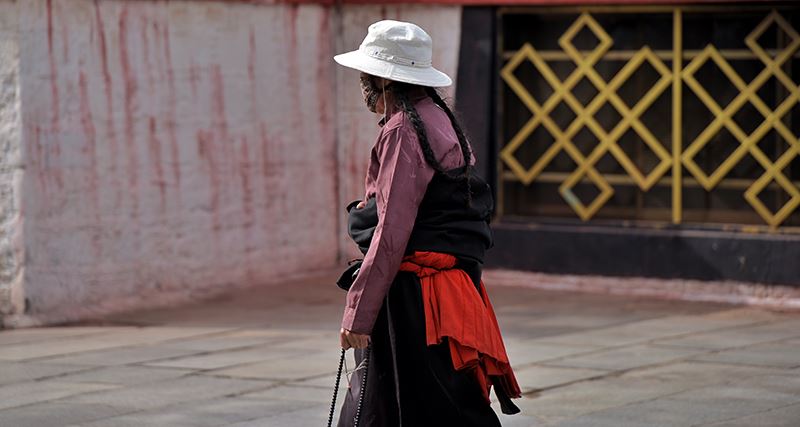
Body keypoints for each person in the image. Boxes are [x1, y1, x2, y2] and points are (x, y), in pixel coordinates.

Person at [332, 20, 522, 427]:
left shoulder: (403, 130)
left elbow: (391, 231)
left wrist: (357, 314)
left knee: (394, 407)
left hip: (414, 299)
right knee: (437, 402)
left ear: (382, 79)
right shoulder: (437, 116)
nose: (363, 84)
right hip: (439, 291)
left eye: (366, 75)